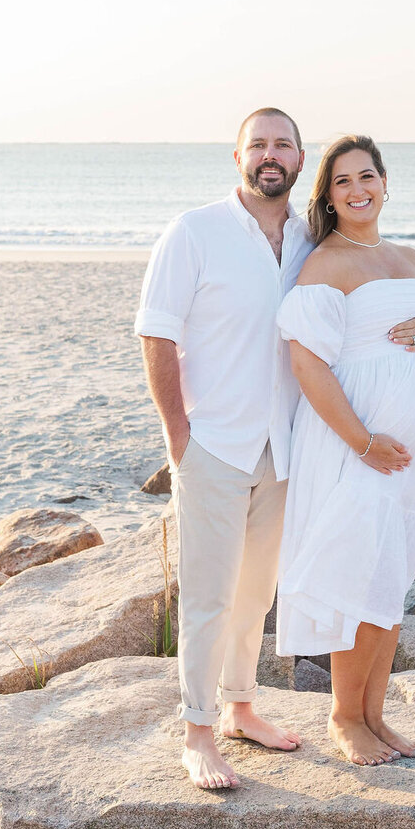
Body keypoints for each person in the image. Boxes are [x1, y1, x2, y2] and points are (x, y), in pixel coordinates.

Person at [134, 108, 312, 791]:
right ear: (237, 157)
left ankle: (240, 708)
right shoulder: (195, 231)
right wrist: (178, 435)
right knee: (208, 596)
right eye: (257, 144)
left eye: (282, 144)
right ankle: (198, 733)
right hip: (212, 443)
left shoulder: (310, 238)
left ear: (300, 160)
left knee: (256, 593)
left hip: (282, 446)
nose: (270, 154)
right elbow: (156, 332)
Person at [276, 133, 415, 767]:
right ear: (328, 196)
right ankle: (344, 717)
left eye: (366, 176)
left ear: (385, 183)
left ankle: (376, 715)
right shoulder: (325, 265)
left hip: (413, 454)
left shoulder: (409, 258)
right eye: (342, 181)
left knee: (393, 575)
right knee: (360, 573)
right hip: (358, 447)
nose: (358, 190)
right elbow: (308, 366)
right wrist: (362, 442)